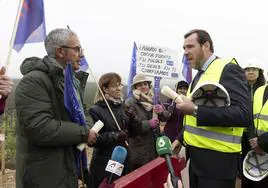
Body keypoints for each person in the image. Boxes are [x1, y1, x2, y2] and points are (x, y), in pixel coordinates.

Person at [15, 28, 98, 188]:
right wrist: (83, 133)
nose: (81, 55)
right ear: (60, 51)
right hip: (44, 176)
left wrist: (86, 129)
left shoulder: (71, 83)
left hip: (66, 170)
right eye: (77, 49)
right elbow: (39, 127)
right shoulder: (34, 81)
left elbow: (82, 113)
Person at [173, 29, 251, 188]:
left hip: (218, 164)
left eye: (190, 47)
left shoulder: (228, 69)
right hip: (196, 159)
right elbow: (196, 114)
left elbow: (244, 115)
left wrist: (194, 109)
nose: (185, 52)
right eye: (184, 48)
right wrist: (180, 139)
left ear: (206, 45)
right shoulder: (199, 75)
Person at [88, 72, 141, 188]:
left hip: (124, 160)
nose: (118, 88)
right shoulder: (95, 110)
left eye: (119, 85)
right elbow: (93, 140)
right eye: (114, 86)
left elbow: (134, 133)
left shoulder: (122, 107)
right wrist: (115, 136)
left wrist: (134, 120)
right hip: (105, 163)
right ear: (105, 89)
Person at [125, 73, 169, 170]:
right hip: (139, 147)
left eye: (145, 84)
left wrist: (162, 112)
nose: (143, 87)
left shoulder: (155, 99)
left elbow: (165, 118)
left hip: (155, 146)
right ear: (135, 87)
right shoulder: (130, 103)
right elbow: (128, 126)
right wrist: (147, 124)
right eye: (140, 85)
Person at [241, 59, 266, 188]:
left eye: (254, 70)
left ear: (259, 72)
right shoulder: (239, 88)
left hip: (260, 138)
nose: (251, 72)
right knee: (244, 170)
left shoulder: (263, 90)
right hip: (243, 136)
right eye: (247, 70)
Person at [246, 83, 268, 187]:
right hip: (255, 149)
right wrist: (252, 140)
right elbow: (250, 117)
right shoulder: (259, 90)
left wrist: (262, 142)